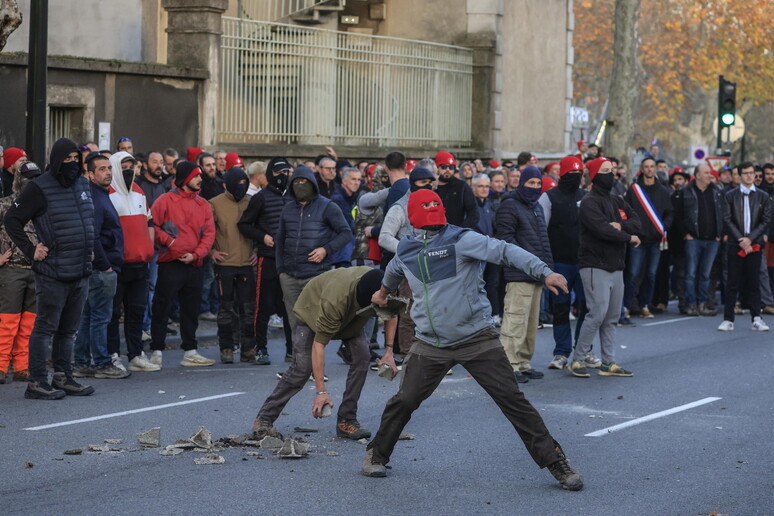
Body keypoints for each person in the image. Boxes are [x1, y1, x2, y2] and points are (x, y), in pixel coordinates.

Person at [361, 189, 582, 491]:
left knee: (513, 402)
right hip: (430, 343)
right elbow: (392, 271)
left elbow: (506, 251)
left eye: (435, 221)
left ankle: (557, 463)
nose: (432, 227)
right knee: (405, 400)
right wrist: (383, 294)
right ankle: (376, 454)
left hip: (476, 337)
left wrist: (544, 272)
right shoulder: (406, 250)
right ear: (413, 220)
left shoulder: (463, 239)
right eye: (426, 221)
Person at [252, 267, 398, 440]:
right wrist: (320, 392)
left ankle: (347, 420)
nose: (385, 301)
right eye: (380, 301)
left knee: (362, 357)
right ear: (368, 299)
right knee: (302, 368)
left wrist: (388, 351)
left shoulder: (383, 283)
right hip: (312, 311)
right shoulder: (335, 302)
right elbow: (319, 346)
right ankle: (264, 420)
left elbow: (390, 312)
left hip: (352, 313)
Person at [4, 138, 96, 399]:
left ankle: (63, 377)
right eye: (67, 159)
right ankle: (36, 382)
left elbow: (89, 219)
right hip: (52, 272)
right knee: (45, 328)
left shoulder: (82, 183)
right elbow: (12, 220)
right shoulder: (39, 187)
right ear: (56, 160)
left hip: (81, 269)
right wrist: (32, 249)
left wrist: (91, 249)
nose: (72, 163)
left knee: (69, 330)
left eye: (76, 158)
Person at [569, 158, 640, 378]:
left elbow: (638, 221)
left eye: (612, 170)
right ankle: (578, 359)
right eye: (606, 171)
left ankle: (608, 362)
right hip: (594, 264)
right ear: (594, 175)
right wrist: (628, 236)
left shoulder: (617, 200)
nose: (611, 175)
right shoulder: (589, 202)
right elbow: (601, 230)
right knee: (597, 314)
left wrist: (621, 226)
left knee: (611, 317)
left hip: (616, 264)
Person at [149, 161, 216, 367]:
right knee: (162, 307)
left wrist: (196, 255)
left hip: (194, 264)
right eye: (196, 176)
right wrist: (171, 243)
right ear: (186, 179)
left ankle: (190, 351)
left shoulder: (203, 204)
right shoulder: (164, 200)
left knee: (191, 309)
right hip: (171, 263)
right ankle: (156, 351)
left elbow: (209, 234)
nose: (200, 179)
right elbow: (152, 226)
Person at [275, 165, 352, 334]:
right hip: (289, 276)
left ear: (312, 183)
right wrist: (281, 270)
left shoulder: (327, 206)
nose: (300, 185)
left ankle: (314, 360)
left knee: (314, 323)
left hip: (316, 275)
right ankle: (298, 360)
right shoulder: (287, 208)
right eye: (296, 181)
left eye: (304, 181)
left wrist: (326, 249)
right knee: (293, 323)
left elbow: (346, 233)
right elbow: (280, 239)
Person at [73, 154, 128, 379]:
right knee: (100, 317)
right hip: (101, 269)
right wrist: (105, 266)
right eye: (102, 169)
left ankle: (82, 362)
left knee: (88, 316)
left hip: (99, 267)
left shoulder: (99, 195)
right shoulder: (95, 198)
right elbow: (93, 236)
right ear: (90, 174)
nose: (108, 172)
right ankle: (103, 363)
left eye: (109, 168)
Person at [106, 152, 159, 372]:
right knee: (112, 314)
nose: (129, 170)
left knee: (136, 311)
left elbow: (149, 221)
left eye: (132, 166)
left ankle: (136, 354)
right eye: (124, 167)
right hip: (118, 265)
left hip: (140, 263)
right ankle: (112, 354)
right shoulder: (107, 194)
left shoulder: (139, 192)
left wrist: (149, 248)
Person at [238, 157, 294, 364]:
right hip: (267, 259)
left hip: (288, 261)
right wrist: (263, 237)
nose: (283, 177)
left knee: (289, 308)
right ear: (271, 174)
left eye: (286, 173)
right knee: (262, 307)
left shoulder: (293, 198)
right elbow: (243, 225)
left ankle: (291, 350)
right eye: (279, 173)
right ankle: (261, 349)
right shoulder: (260, 198)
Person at [538, 156, 591, 371]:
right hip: (559, 263)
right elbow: (542, 231)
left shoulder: (587, 198)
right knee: (560, 308)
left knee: (586, 308)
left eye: (579, 175)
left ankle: (584, 350)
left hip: (584, 262)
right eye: (572, 175)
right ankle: (561, 352)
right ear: (562, 175)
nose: (575, 179)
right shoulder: (548, 198)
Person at [210, 167, 258, 364]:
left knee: (248, 310)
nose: (241, 188)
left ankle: (248, 350)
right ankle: (226, 348)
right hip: (225, 265)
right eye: (237, 184)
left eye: (244, 184)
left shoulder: (252, 202)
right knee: (226, 309)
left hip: (247, 263)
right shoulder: (214, 204)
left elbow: (260, 229)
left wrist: (257, 251)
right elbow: (206, 231)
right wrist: (212, 252)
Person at [0, 162, 42, 384]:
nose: (31, 183)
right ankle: (1, 366)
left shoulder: (44, 206)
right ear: (17, 180)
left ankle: (22, 367)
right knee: (8, 322)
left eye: (35, 179)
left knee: (28, 324)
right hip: (12, 269)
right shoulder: (5, 205)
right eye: (27, 179)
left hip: (37, 270)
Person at [717, 162, 771, 332]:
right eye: (745, 173)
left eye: (751, 173)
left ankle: (757, 318)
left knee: (754, 282)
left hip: (754, 244)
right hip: (736, 243)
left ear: (755, 175)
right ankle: (728, 319)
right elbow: (727, 219)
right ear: (739, 176)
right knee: (732, 282)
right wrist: (741, 239)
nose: (749, 176)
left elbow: (766, 220)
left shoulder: (763, 196)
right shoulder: (730, 195)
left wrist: (751, 239)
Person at [671, 163, 724, 316]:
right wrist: (685, 234)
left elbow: (723, 213)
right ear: (698, 175)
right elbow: (678, 216)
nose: (710, 175)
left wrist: (720, 233)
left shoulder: (717, 191)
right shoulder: (686, 192)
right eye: (707, 172)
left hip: (713, 240)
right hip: (693, 239)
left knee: (706, 274)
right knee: (690, 273)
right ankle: (691, 304)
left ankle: (703, 304)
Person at [623, 157, 673, 318]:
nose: (650, 169)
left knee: (651, 275)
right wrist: (631, 230)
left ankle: (644, 305)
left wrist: (664, 228)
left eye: (652, 167)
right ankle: (627, 305)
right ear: (642, 169)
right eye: (647, 167)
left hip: (656, 240)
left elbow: (669, 213)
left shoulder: (663, 191)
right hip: (638, 239)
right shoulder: (634, 190)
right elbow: (626, 211)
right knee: (633, 274)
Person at [435, 151, 479, 229]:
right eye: (444, 167)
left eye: (451, 167)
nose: (448, 170)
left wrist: (460, 231)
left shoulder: (461, 186)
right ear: (437, 168)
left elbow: (474, 213)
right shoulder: (432, 187)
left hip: (456, 234)